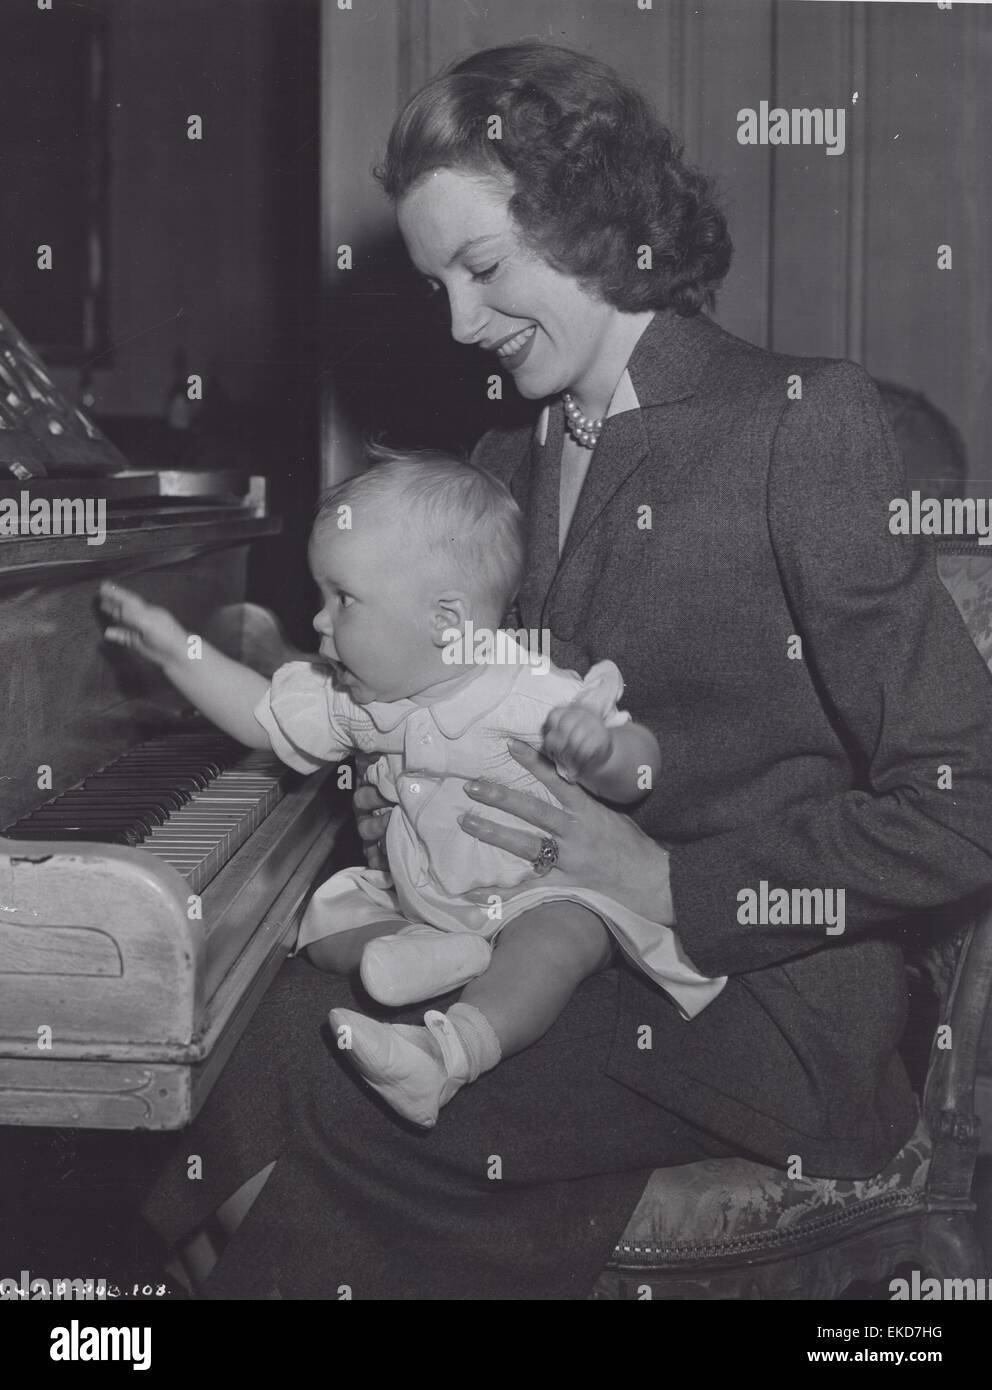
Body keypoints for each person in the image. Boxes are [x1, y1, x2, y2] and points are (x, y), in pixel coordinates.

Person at [138, 42, 992, 1300]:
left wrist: (667, 876)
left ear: (602, 222)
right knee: (225, 1052)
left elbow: (964, 799)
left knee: (334, 1094)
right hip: (530, 944)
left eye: (481, 269)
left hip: (756, 1003)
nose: (459, 322)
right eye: (437, 283)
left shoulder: (797, 421)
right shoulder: (504, 451)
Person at [100, 447, 722, 1131]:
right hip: (420, 899)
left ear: (446, 623)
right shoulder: (362, 697)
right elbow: (262, 714)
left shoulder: (522, 687)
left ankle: (447, 1054)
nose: (317, 622)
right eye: (321, 596)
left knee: (561, 939)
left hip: (528, 893)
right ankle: (418, 953)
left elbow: (643, 763)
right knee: (323, 924)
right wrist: (175, 651)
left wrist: (602, 750)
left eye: (344, 599)